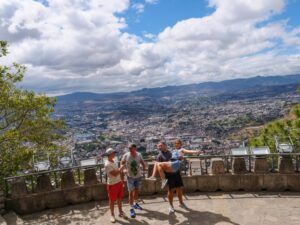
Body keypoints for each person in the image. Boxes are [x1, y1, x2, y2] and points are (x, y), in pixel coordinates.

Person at [148, 139, 202, 213]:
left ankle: (181, 203)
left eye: (160, 146)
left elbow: (181, 154)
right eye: (158, 146)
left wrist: (181, 157)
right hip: (168, 175)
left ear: (165, 146)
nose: (159, 147)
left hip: (176, 173)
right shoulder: (159, 155)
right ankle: (171, 205)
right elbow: (159, 167)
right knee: (171, 190)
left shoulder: (172, 151)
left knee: (179, 188)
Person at [121, 143, 147, 218]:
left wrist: (144, 167)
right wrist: (124, 169)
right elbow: (122, 163)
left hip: (138, 175)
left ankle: (136, 203)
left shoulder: (139, 154)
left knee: (137, 190)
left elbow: (142, 161)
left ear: (135, 148)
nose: (130, 150)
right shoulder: (126, 155)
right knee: (130, 192)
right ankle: (131, 208)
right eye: (129, 148)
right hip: (130, 176)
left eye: (131, 148)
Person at [104, 148, 128, 223]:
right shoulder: (107, 164)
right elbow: (114, 174)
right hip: (112, 184)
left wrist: (121, 180)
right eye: (113, 153)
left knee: (119, 198)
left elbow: (118, 173)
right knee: (112, 200)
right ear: (110, 154)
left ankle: (120, 212)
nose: (115, 154)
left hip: (118, 182)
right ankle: (112, 215)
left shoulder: (114, 161)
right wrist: (121, 167)